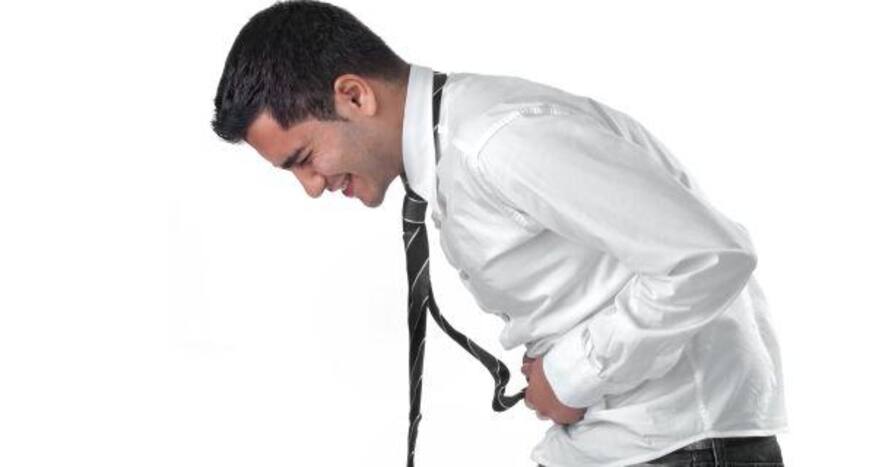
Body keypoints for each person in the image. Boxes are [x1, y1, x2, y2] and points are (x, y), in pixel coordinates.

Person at [210, 1, 788, 466]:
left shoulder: (498, 141)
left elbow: (708, 256)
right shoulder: (460, 143)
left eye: (304, 158)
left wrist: (571, 376)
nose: (311, 187)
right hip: (626, 445)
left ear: (355, 95)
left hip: (678, 447)